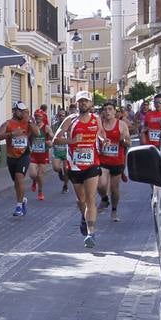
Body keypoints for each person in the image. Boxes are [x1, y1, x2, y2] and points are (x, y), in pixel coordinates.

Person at [54, 89, 102, 249]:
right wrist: (72, 140)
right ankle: (83, 216)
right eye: (80, 101)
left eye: (86, 101)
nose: (83, 103)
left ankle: (91, 233)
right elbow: (56, 140)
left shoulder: (96, 119)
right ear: (77, 103)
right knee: (81, 199)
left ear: (91, 104)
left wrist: (104, 140)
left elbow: (99, 134)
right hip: (74, 166)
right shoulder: (70, 119)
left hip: (92, 164)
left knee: (90, 199)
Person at [0, 101, 36, 217]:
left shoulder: (27, 123)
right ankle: (22, 200)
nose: (22, 113)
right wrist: (12, 134)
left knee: (20, 178)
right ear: (14, 111)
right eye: (20, 111)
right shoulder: (8, 124)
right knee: (16, 183)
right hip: (11, 156)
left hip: (24, 154)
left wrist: (29, 121)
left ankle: (18, 205)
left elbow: (37, 133)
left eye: (24, 111)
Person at [97, 102, 130, 222]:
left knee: (114, 189)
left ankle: (114, 210)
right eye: (105, 109)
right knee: (100, 184)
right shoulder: (99, 124)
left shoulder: (121, 125)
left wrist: (123, 141)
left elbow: (128, 143)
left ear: (115, 112)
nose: (107, 112)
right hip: (103, 160)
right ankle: (104, 199)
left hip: (117, 161)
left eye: (110, 109)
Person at [27, 105, 53, 200]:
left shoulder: (46, 127)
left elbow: (52, 138)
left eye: (39, 116)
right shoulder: (32, 127)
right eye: (36, 116)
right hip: (34, 154)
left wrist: (50, 142)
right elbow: (27, 137)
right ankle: (34, 181)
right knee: (32, 174)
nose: (38, 118)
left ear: (43, 117)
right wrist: (28, 146)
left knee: (40, 175)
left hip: (43, 154)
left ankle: (40, 191)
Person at [51, 102, 73, 193]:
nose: (61, 117)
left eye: (63, 115)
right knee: (56, 167)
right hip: (57, 150)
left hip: (66, 150)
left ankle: (65, 185)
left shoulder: (70, 125)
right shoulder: (54, 126)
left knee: (66, 169)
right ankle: (60, 173)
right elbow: (51, 136)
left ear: (66, 116)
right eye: (60, 115)